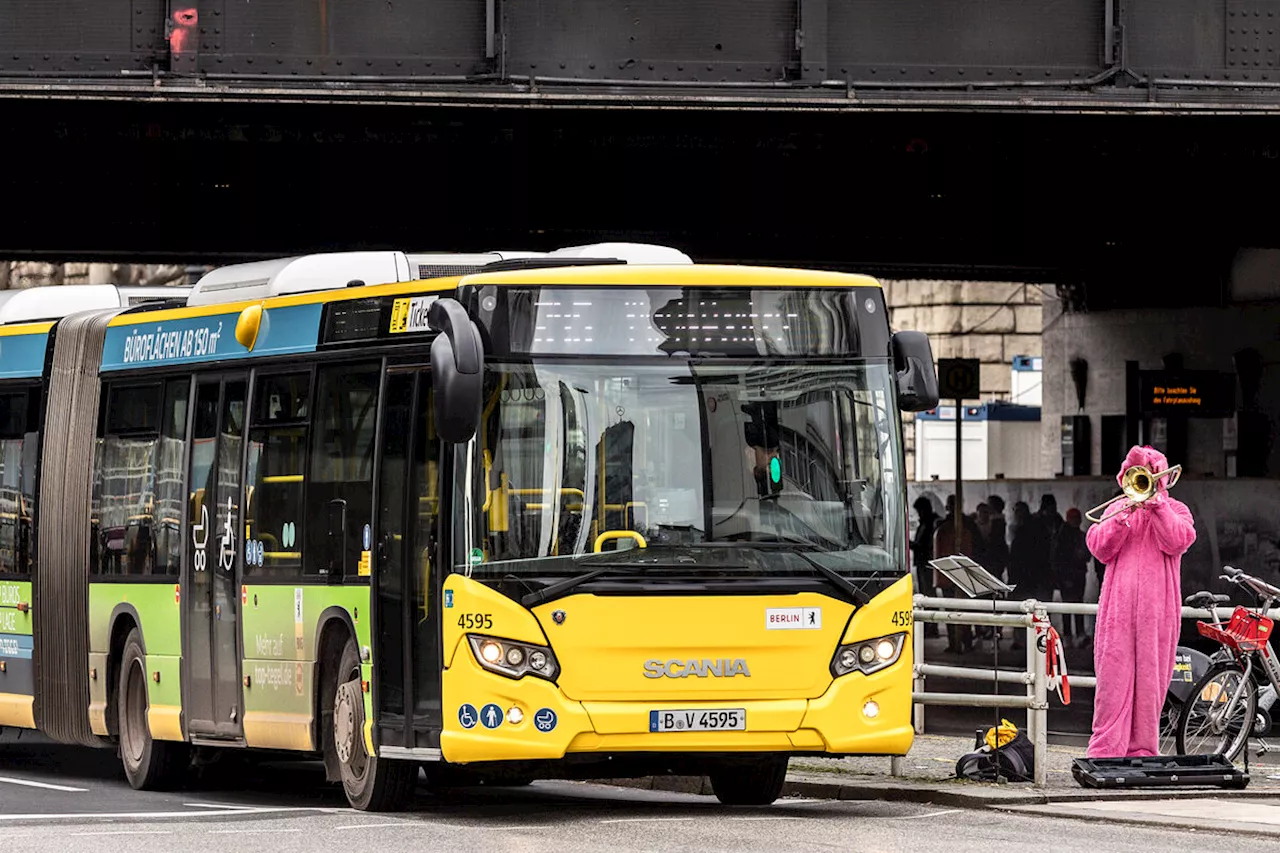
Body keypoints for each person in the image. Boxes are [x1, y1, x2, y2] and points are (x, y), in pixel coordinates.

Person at [1086, 446, 1195, 759]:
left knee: (1151, 682)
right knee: (1112, 680)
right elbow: (1098, 547)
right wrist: (1122, 518)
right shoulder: (1117, 509)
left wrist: (1159, 507)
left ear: (1159, 479)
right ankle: (1105, 749)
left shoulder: (1177, 510)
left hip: (1157, 613)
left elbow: (1179, 540)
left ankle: (1143, 749)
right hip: (1116, 612)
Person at [933, 495, 982, 653]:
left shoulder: (943, 526)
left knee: (953, 610)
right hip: (962, 573)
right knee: (963, 609)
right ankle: (961, 642)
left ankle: (957, 642)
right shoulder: (968, 525)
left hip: (949, 573)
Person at [1052, 507, 1091, 647]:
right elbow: (1059, 557)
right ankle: (1069, 635)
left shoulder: (1080, 535)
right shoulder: (1063, 536)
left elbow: (1087, 555)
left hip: (1079, 574)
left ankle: (1078, 634)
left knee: (1076, 603)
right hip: (1067, 574)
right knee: (1068, 606)